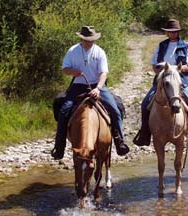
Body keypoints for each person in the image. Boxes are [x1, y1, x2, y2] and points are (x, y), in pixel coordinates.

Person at [51, 26, 130, 160]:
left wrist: (98, 88)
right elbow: (64, 69)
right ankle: (59, 147)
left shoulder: (99, 52)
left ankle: (119, 141)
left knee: (115, 109)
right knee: (64, 111)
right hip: (78, 86)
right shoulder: (73, 51)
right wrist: (72, 71)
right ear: (81, 39)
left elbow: (103, 73)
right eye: (86, 40)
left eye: (91, 40)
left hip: (97, 85)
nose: (89, 42)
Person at [133, 19, 188, 146]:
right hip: (163, 78)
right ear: (167, 33)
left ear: (178, 32)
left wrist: (175, 70)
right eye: (170, 32)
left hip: (181, 79)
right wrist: (160, 72)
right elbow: (154, 65)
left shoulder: (186, 47)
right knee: (145, 103)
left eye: (175, 31)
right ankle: (144, 133)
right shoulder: (161, 46)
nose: (173, 34)